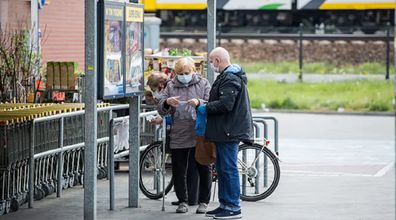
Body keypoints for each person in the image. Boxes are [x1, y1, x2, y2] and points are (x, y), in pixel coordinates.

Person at [203, 47, 253, 219]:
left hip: (228, 131)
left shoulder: (230, 78)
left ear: (218, 60)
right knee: (223, 169)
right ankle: (224, 204)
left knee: (228, 169)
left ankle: (232, 207)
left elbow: (226, 105)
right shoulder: (228, 77)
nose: (211, 65)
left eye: (211, 61)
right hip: (225, 130)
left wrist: (203, 107)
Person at [157, 57, 212, 214]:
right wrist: (167, 102)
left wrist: (199, 102)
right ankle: (183, 201)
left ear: (194, 71)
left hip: (199, 132)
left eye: (187, 72)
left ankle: (203, 201)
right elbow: (161, 108)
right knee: (178, 169)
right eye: (180, 73)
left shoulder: (203, 83)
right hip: (179, 132)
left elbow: (211, 103)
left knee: (204, 166)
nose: (183, 75)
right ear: (175, 72)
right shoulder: (171, 85)